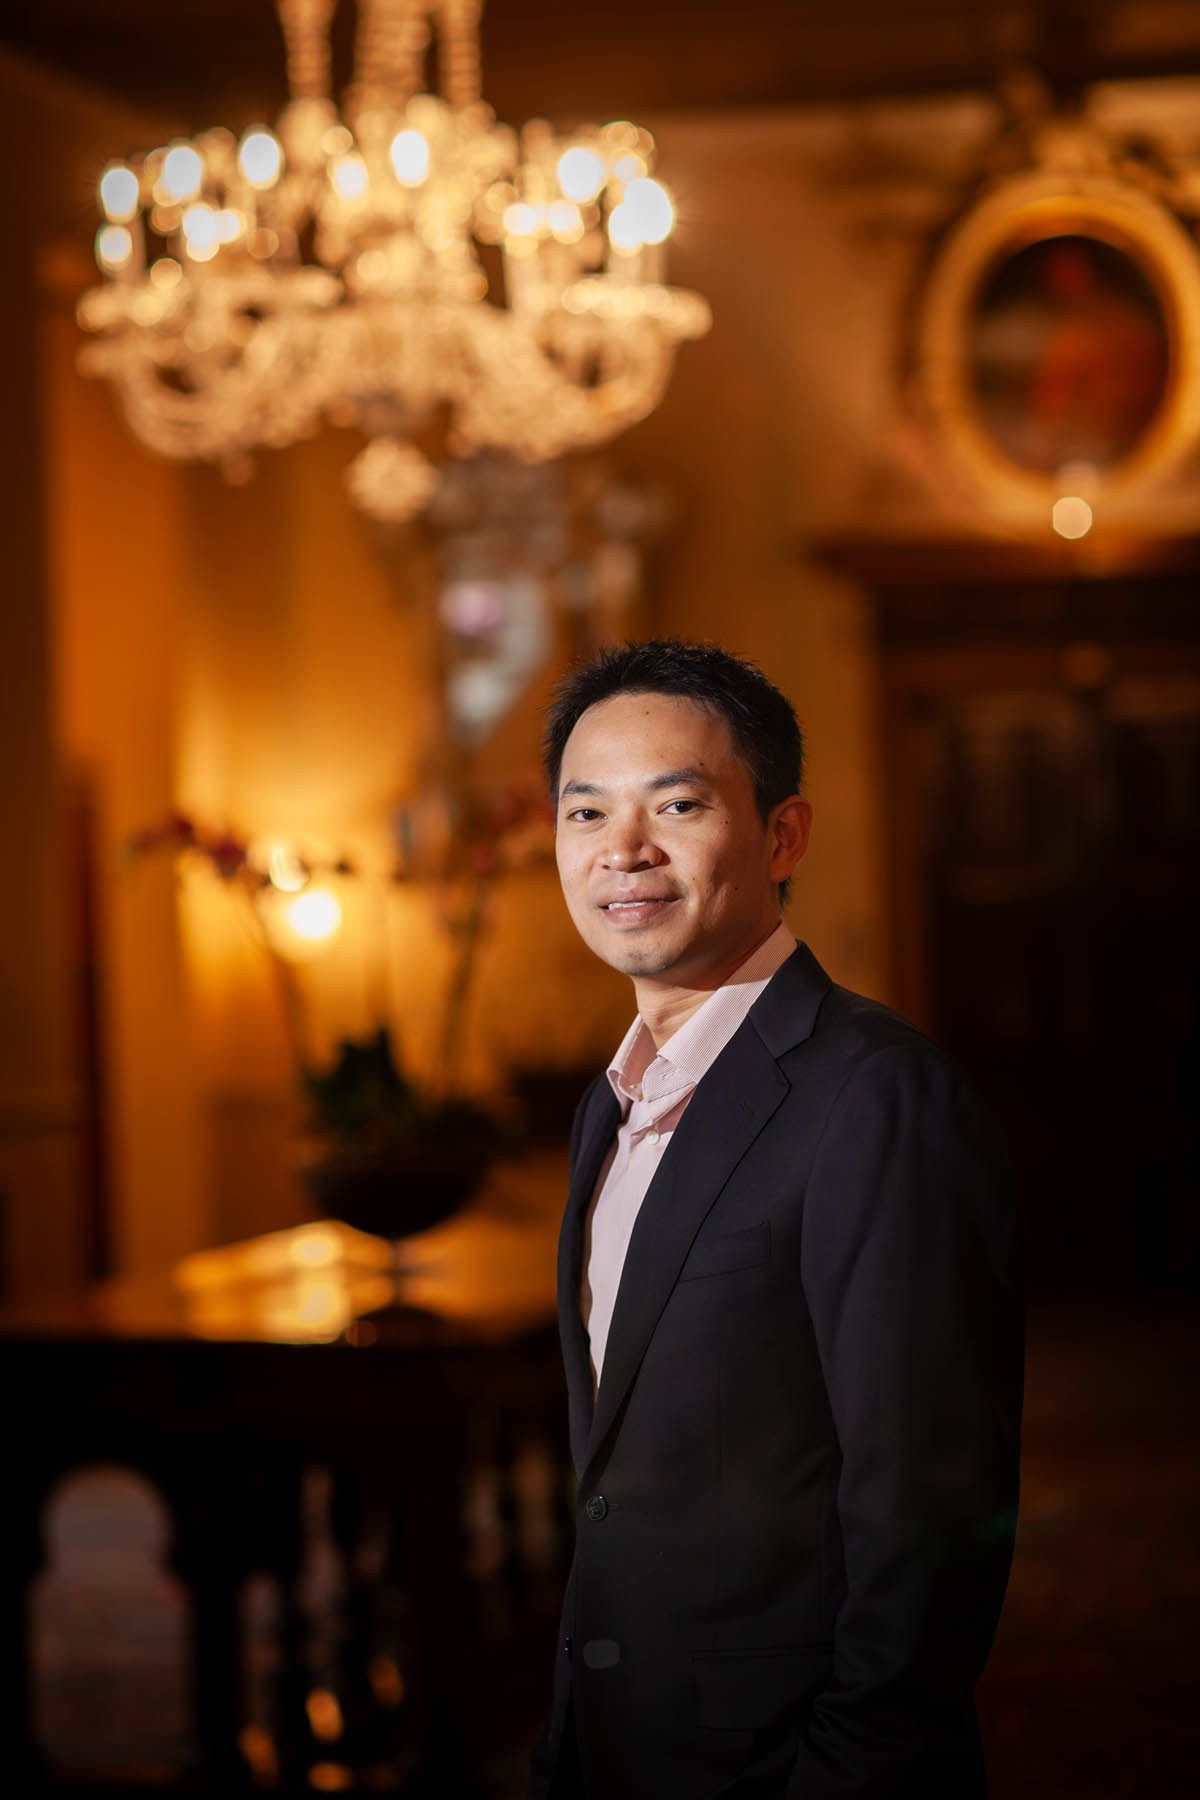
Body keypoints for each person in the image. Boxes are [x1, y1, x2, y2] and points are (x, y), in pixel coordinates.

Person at [528, 639, 1023, 1800]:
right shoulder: (612, 1104)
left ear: (783, 836)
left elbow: (929, 1508)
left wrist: (849, 1772)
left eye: (679, 805)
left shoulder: (872, 1093)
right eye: (585, 812)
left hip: (789, 1766)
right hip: (622, 1747)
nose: (623, 852)